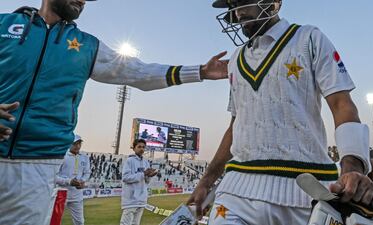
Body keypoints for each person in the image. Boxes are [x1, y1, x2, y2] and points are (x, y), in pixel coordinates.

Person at [0, 0, 227, 224]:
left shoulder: (87, 45)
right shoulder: (4, 25)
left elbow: (140, 73)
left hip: (38, 164)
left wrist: (200, 71)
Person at [187, 0, 373, 224]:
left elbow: (342, 104)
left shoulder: (308, 38)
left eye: (244, 1)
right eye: (233, 5)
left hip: (305, 190)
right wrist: (205, 182)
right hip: (236, 192)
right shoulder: (235, 60)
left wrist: (352, 166)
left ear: (274, 3)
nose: (238, 12)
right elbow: (235, 126)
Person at [120, 139, 157, 225]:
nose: (141, 149)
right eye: (139, 147)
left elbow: (146, 181)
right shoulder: (130, 161)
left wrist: (149, 176)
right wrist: (143, 174)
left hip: (141, 199)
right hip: (131, 199)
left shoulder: (146, 162)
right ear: (134, 148)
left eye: (143, 147)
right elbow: (125, 178)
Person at [56, 135, 90, 225]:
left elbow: (87, 173)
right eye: (75, 144)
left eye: (79, 143)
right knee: (55, 220)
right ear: (69, 144)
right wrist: (69, 181)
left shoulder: (84, 157)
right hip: (61, 193)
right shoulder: (62, 155)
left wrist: (82, 181)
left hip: (77, 195)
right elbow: (53, 176)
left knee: (80, 222)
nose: (78, 146)